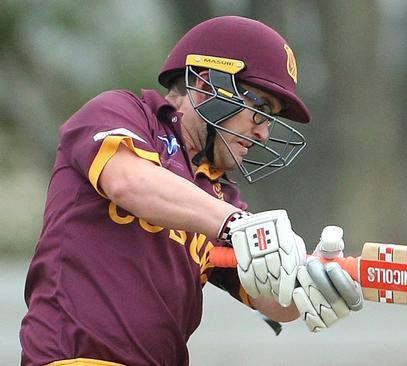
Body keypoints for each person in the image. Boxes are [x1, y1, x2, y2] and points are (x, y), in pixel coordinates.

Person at [20, 16, 361, 366]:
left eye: (270, 119)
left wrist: (308, 286)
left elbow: (270, 300)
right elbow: (130, 183)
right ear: (204, 86)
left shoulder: (218, 197)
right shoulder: (119, 113)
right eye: (259, 111)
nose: (263, 135)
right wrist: (235, 223)